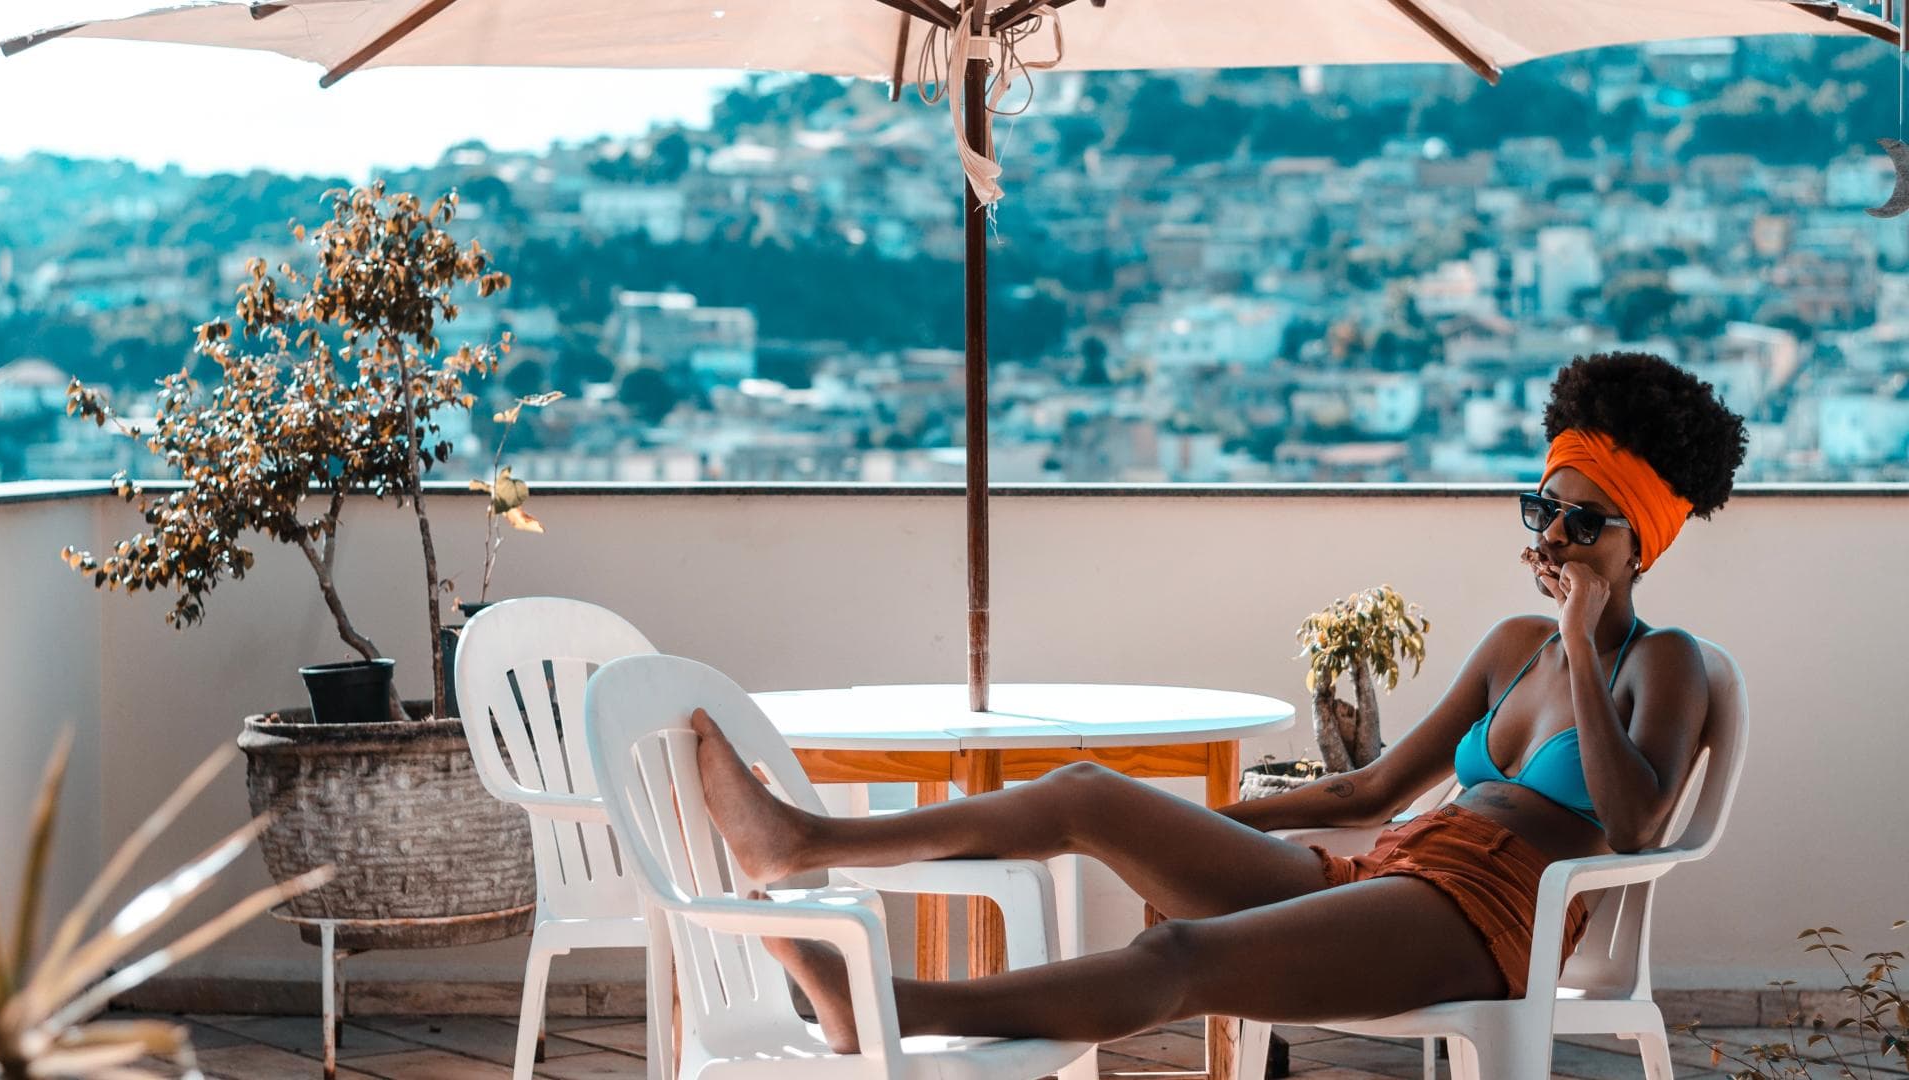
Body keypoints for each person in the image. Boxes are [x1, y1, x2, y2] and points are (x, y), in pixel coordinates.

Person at [690, 351, 1748, 1053]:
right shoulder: (1511, 647)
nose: (1551, 539)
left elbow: (1632, 822)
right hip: (1391, 867)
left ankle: (879, 1010)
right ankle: (801, 841)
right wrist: (1219, 826)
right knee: (1088, 795)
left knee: (1180, 961)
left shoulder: (1667, 666)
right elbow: (1374, 786)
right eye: (1542, 508)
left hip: (1493, 918)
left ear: (1639, 540)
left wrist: (1581, 632)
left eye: (1583, 522)